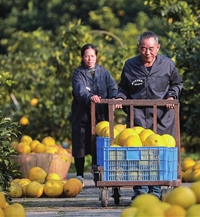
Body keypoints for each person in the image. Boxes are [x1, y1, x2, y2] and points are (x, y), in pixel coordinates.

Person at [115, 31, 183, 200]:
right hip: (137, 117)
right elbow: (123, 87)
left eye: (151, 49)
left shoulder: (167, 64)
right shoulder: (130, 65)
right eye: (143, 49)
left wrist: (171, 96)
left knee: (158, 153)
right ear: (138, 48)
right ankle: (140, 191)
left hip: (162, 117)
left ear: (158, 48)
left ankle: (156, 190)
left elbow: (177, 83)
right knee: (137, 154)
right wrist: (120, 97)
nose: (147, 53)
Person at [71, 43, 118, 184]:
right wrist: (90, 96)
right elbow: (80, 90)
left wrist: (115, 97)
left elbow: (112, 87)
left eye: (92, 56)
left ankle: (97, 170)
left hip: (100, 113)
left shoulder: (103, 72)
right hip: (82, 113)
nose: (89, 59)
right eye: (86, 56)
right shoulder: (78, 73)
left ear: (96, 56)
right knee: (80, 141)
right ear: (82, 57)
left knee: (99, 141)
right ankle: (80, 174)